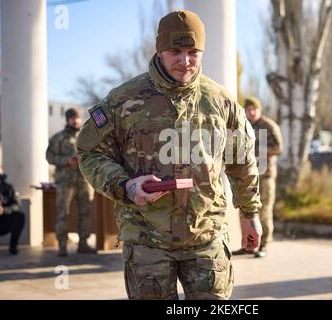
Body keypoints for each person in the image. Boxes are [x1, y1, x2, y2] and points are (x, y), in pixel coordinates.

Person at [76, 10, 262, 300]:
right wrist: (126, 186)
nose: (185, 61)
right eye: (175, 51)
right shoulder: (123, 101)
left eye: (193, 52)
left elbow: (242, 160)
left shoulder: (221, 101)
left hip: (207, 238)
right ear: (159, 49)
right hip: (147, 239)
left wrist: (249, 214)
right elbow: (89, 152)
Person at [233, 96, 282, 258]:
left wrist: (260, 151)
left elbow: (278, 147)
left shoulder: (269, 126)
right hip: (247, 176)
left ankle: (264, 245)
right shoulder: (242, 125)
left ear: (259, 110)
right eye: (248, 109)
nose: (251, 112)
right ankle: (248, 245)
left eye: (254, 109)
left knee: (264, 211)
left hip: (265, 175)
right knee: (245, 210)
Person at [46, 108, 96, 257]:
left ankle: (83, 244)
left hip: (84, 180)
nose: (76, 121)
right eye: (73, 118)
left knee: (85, 213)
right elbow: (49, 156)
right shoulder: (58, 138)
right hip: (65, 182)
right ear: (68, 119)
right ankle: (62, 245)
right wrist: (66, 161)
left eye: (78, 118)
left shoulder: (86, 136)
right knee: (63, 213)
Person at [0, 164, 25, 255]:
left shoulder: (9, 188)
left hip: (5, 221)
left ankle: (13, 247)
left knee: (19, 216)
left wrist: (3, 210)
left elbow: (17, 205)